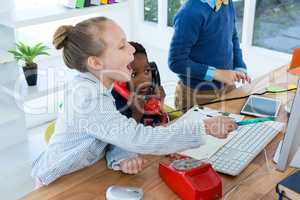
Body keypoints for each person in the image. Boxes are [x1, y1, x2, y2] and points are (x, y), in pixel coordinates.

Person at [31, 16, 237, 187]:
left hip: (85, 174)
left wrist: (120, 157)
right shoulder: (87, 97)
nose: (131, 50)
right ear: (95, 62)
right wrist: (202, 128)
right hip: (57, 183)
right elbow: (135, 137)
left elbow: (112, 132)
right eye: (122, 46)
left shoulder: (101, 85)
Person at [168, 0, 251, 113]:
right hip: (196, 95)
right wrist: (217, 74)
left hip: (227, 87)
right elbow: (176, 62)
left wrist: (239, 66)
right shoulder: (189, 13)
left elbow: (233, 37)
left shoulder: (227, 3)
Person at [111, 41, 167, 126]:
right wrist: (136, 115)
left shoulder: (150, 94)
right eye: (134, 74)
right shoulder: (115, 104)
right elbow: (125, 137)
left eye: (147, 71)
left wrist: (161, 103)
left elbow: (161, 123)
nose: (144, 79)